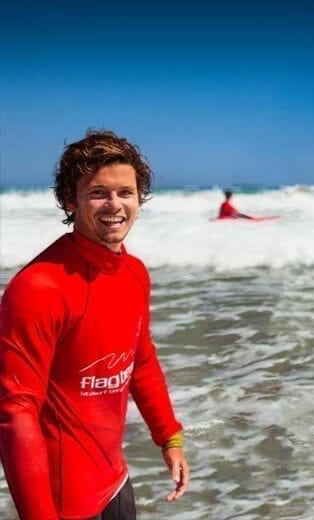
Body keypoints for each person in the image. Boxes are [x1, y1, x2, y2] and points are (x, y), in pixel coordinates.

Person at [0, 130, 189, 519]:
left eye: (125, 192)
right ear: (70, 199)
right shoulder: (38, 287)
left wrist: (168, 437)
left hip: (115, 481)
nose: (114, 204)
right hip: (62, 502)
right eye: (98, 192)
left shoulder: (134, 273)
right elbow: (16, 412)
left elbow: (140, 360)